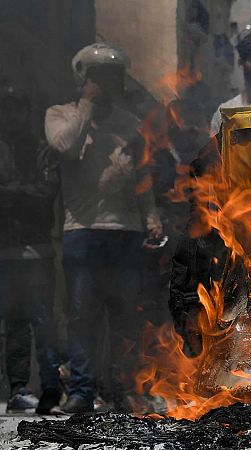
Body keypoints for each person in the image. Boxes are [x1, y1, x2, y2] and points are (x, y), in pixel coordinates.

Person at [45, 43, 162, 413]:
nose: (105, 82)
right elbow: (66, 146)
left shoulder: (129, 124)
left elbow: (142, 177)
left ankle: (122, 390)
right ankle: (81, 391)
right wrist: (87, 104)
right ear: (83, 78)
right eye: (97, 76)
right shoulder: (60, 114)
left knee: (125, 316)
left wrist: (152, 216)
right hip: (82, 229)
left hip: (125, 231)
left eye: (110, 75)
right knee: (83, 316)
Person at [0, 86, 63, 414]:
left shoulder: (43, 151)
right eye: (6, 109)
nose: (12, 116)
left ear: (26, 113)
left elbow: (46, 193)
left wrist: (12, 193)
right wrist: (24, 193)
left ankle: (51, 389)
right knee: (15, 324)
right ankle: (19, 390)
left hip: (38, 251)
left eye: (17, 109)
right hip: (7, 252)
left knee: (44, 321)